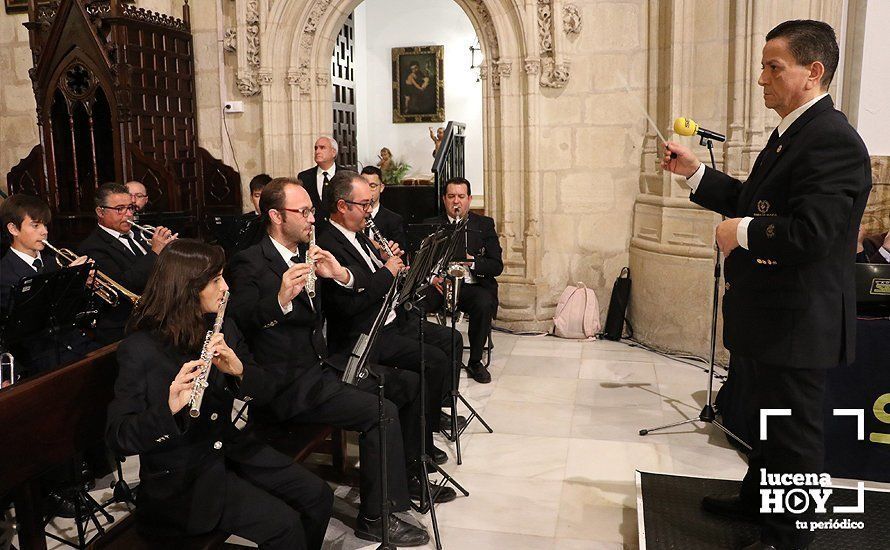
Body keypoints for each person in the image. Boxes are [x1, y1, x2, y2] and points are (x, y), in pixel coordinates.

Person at [661, 20, 871, 550]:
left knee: (796, 435)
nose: (761, 79)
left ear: (813, 71)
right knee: (768, 418)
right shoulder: (792, 134)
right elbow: (757, 201)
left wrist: (741, 232)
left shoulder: (833, 140)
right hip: (770, 315)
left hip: (801, 319)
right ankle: (759, 499)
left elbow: (813, 234)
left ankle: (788, 537)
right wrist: (695, 173)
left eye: (773, 67)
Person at [228, 177, 439, 546]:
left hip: (317, 369)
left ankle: (407, 479)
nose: (313, 219)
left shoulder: (307, 253)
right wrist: (280, 298)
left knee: (401, 386)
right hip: (285, 385)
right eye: (304, 212)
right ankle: (375, 517)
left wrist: (337, 274)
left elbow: (354, 288)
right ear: (276, 216)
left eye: (311, 210)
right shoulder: (249, 262)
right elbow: (244, 320)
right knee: (381, 411)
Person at [106, 239, 333, 550]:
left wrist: (239, 371)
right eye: (215, 280)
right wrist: (168, 411)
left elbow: (265, 391)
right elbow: (119, 436)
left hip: (229, 449)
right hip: (182, 479)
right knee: (284, 527)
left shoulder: (220, 325)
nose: (226, 288)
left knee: (318, 495)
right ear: (187, 288)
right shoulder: (141, 349)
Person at [317, 171, 464, 465]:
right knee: (430, 362)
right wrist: (387, 272)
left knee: (451, 339)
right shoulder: (328, 244)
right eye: (364, 205)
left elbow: (377, 282)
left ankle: (428, 427)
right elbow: (348, 306)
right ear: (343, 206)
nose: (369, 212)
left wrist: (389, 263)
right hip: (364, 335)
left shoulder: (359, 236)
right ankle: (419, 446)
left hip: (389, 318)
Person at [0, 194, 98, 377]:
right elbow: (24, 326)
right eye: (35, 225)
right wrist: (68, 281)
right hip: (39, 355)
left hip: (74, 342)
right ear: (13, 229)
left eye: (45, 225)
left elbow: (76, 312)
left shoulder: (53, 262)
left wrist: (83, 284)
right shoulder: (5, 273)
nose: (44, 231)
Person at [424, 177, 503, 384]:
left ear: (469, 199)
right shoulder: (430, 225)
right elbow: (418, 262)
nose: (456, 202)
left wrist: (473, 261)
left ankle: (475, 360)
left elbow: (496, 265)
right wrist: (432, 278)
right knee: (416, 302)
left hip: (471, 285)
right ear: (444, 199)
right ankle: (426, 356)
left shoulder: (484, 225)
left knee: (483, 303)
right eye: (451, 197)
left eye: (461, 197)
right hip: (440, 285)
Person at [78, 183, 176, 344]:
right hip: (126, 325)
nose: (128, 214)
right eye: (120, 209)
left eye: (130, 208)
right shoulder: (92, 247)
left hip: (159, 315)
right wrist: (155, 252)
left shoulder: (140, 235)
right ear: (100, 212)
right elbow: (124, 284)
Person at [361, 165, 406, 251]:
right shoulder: (352, 217)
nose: (367, 190)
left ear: (381, 188)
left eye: (372, 186)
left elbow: (400, 255)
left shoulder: (394, 220)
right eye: (364, 185)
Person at [297, 137, 340, 219]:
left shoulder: (346, 175)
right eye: (316, 148)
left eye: (322, 148)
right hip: (315, 227)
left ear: (333, 152)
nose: (317, 151)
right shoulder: (304, 177)